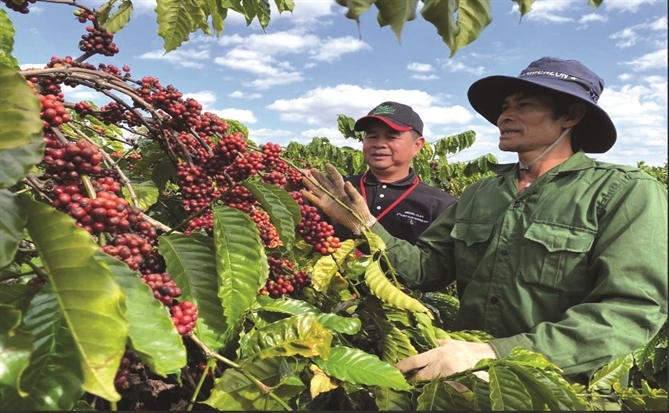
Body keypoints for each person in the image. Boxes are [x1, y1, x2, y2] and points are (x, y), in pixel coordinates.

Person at [301, 57, 668, 385]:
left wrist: (493, 353)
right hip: (463, 380)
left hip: (560, 388)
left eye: (524, 105)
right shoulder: (480, 194)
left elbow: (631, 309)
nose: (504, 116)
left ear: (570, 116)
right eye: (505, 107)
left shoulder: (624, 192)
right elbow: (425, 269)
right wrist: (363, 224)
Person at [328, 101, 457, 245]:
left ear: (417, 145)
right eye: (372, 136)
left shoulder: (441, 205)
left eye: (391, 137)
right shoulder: (335, 190)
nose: (379, 144)